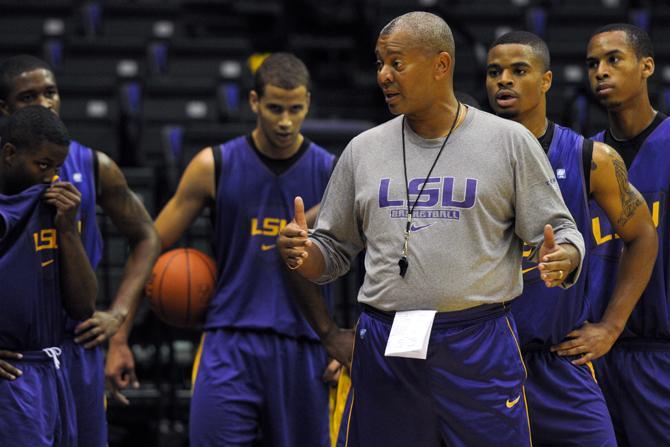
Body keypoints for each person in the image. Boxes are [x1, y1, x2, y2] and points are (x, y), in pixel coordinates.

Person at [278, 12, 586, 447]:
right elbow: (332, 250)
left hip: (477, 339)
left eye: (396, 63)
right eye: (379, 63)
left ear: (441, 65)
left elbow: (562, 230)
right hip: (389, 338)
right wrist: (303, 254)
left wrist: (565, 256)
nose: (383, 75)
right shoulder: (363, 149)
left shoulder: (509, 142)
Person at [153, 52, 335, 446]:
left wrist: (342, 338)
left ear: (307, 104)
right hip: (229, 338)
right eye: (274, 108)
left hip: (303, 342)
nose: (285, 121)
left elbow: (364, 260)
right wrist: (118, 335)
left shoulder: (332, 171)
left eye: (295, 109)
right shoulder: (213, 164)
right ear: (254, 101)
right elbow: (152, 242)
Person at [485, 30, 657, 446]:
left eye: (518, 70)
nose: (503, 80)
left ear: (545, 81)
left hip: (558, 362)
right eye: (494, 72)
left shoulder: (590, 158)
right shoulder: (463, 159)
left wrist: (612, 326)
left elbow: (643, 237)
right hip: (485, 363)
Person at [0, 55, 161, 446]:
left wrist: (118, 317)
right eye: (28, 97)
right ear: (5, 110)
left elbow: (147, 236)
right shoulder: (12, 168)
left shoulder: (93, 165)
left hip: (77, 348)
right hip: (19, 360)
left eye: (50, 92)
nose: (44, 103)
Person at [582, 23, 670, 445]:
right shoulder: (586, 156)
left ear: (647, 66)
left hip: (661, 353)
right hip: (595, 354)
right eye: (593, 64)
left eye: (613, 59)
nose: (601, 71)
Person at [0, 105, 98, 446]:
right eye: (42, 165)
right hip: (11, 376)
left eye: (57, 168)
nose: (50, 178)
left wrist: (68, 231)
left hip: (51, 371)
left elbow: (84, 306)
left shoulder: (58, 209)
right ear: (9, 153)